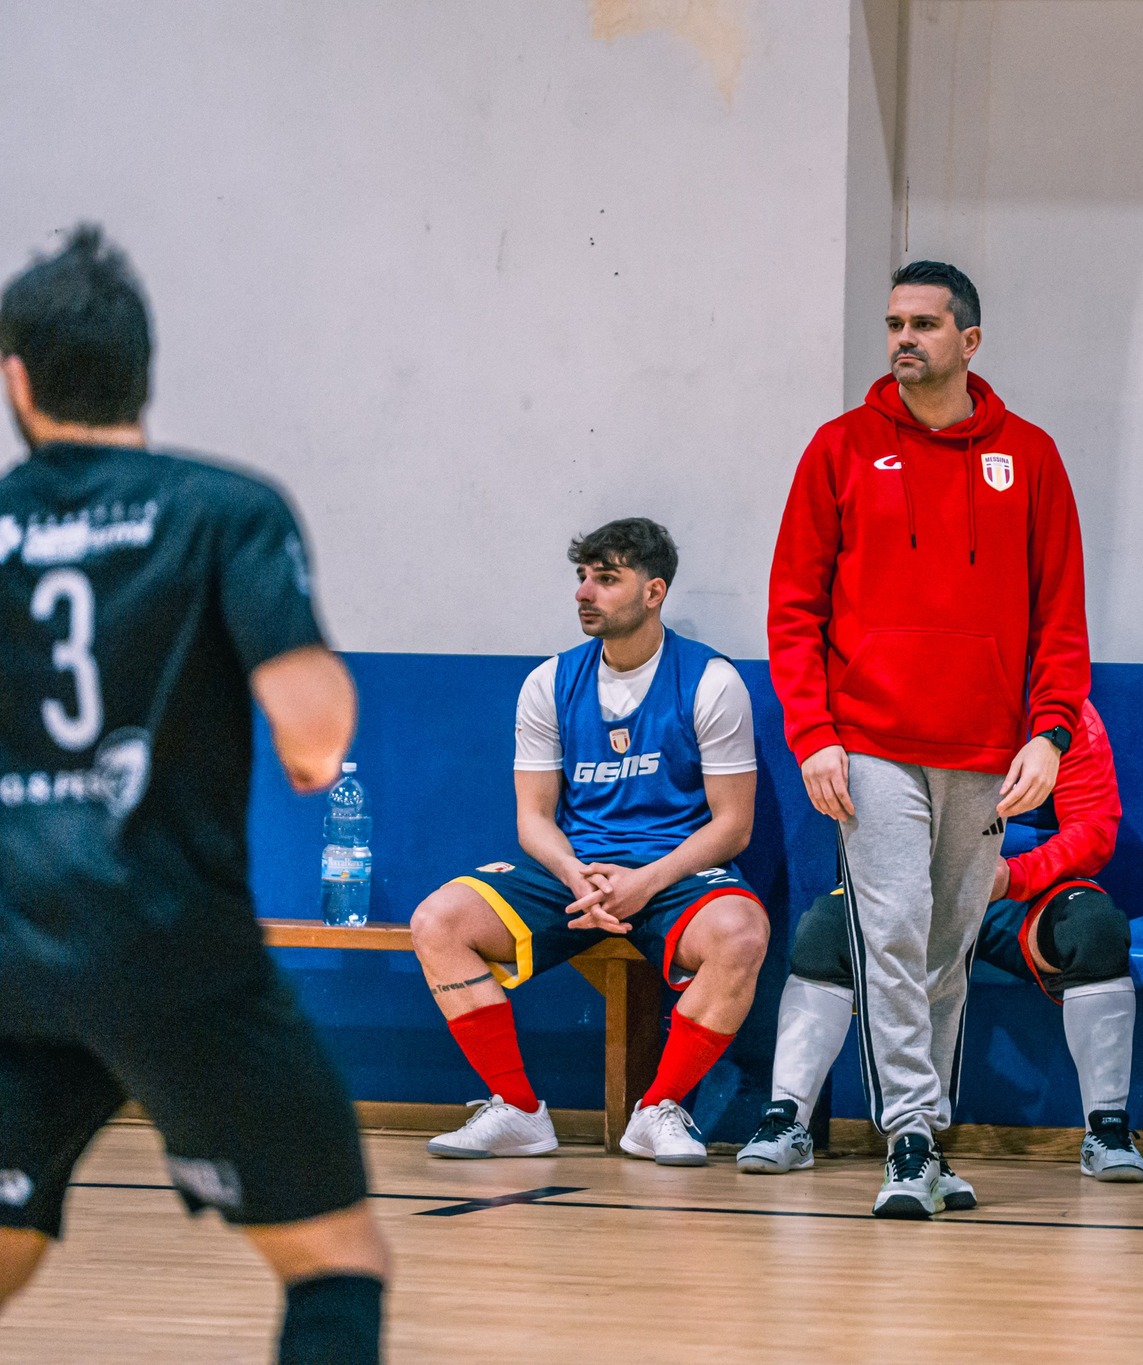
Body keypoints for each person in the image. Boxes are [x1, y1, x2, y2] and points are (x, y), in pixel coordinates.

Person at [0, 226, 388, 1361]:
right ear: (142, 371)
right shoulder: (226, 509)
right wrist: (313, 753)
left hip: (11, 954)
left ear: (17, 380)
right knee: (334, 1256)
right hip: (170, 954)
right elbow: (311, 729)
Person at [768, 260, 1090, 1218]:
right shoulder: (839, 449)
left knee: (948, 944)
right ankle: (908, 1135)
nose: (904, 338)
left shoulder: (1030, 458)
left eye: (924, 324)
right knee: (894, 928)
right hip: (869, 742)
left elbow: (1061, 618)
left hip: (986, 751)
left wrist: (1052, 734)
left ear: (970, 340)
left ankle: (929, 1138)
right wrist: (814, 734)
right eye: (894, 323)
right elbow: (794, 611)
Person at [408, 517, 769, 1167]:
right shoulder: (549, 682)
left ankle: (658, 1108)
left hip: (673, 870)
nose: (584, 592)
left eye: (606, 578)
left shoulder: (711, 680)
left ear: (654, 592)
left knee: (742, 932)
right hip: (576, 870)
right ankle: (518, 1110)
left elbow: (732, 825)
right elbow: (533, 820)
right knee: (438, 920)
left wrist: (644, 882)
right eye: (582, 577)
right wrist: (576, 875)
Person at [736, 699, 1143, 1181]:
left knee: (1094, 929)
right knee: (825, 930)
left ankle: (1107, 1129)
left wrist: (1012, 875)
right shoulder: (902, 696)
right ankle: (787, 1119)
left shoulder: (1063, 714)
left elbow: (1094, 830)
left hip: (1019, 892)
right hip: (915, 884)